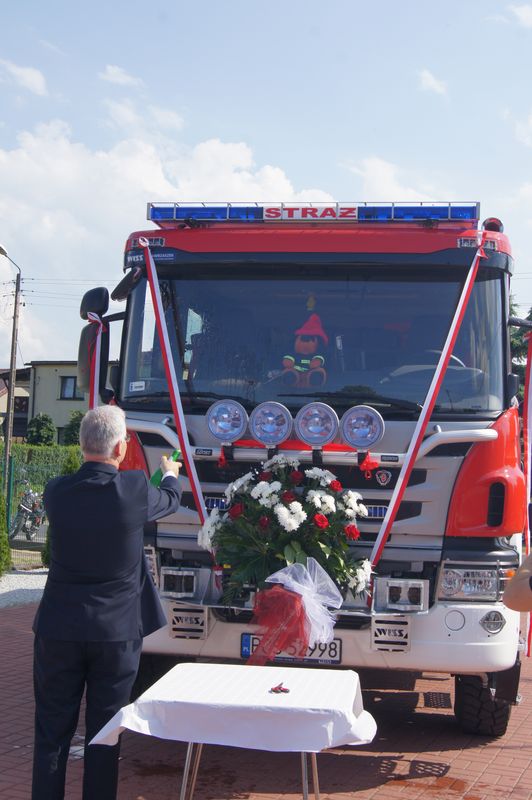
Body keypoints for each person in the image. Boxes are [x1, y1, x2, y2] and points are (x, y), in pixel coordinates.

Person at [32, 405, 182, 800]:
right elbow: (168, 499)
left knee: (51, 733)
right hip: (115, 634)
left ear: (82, 445)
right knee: (105, 733)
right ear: (120, 446)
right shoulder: (133, 490)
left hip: (58, 629)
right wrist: (170, 472)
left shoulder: (55, 492)